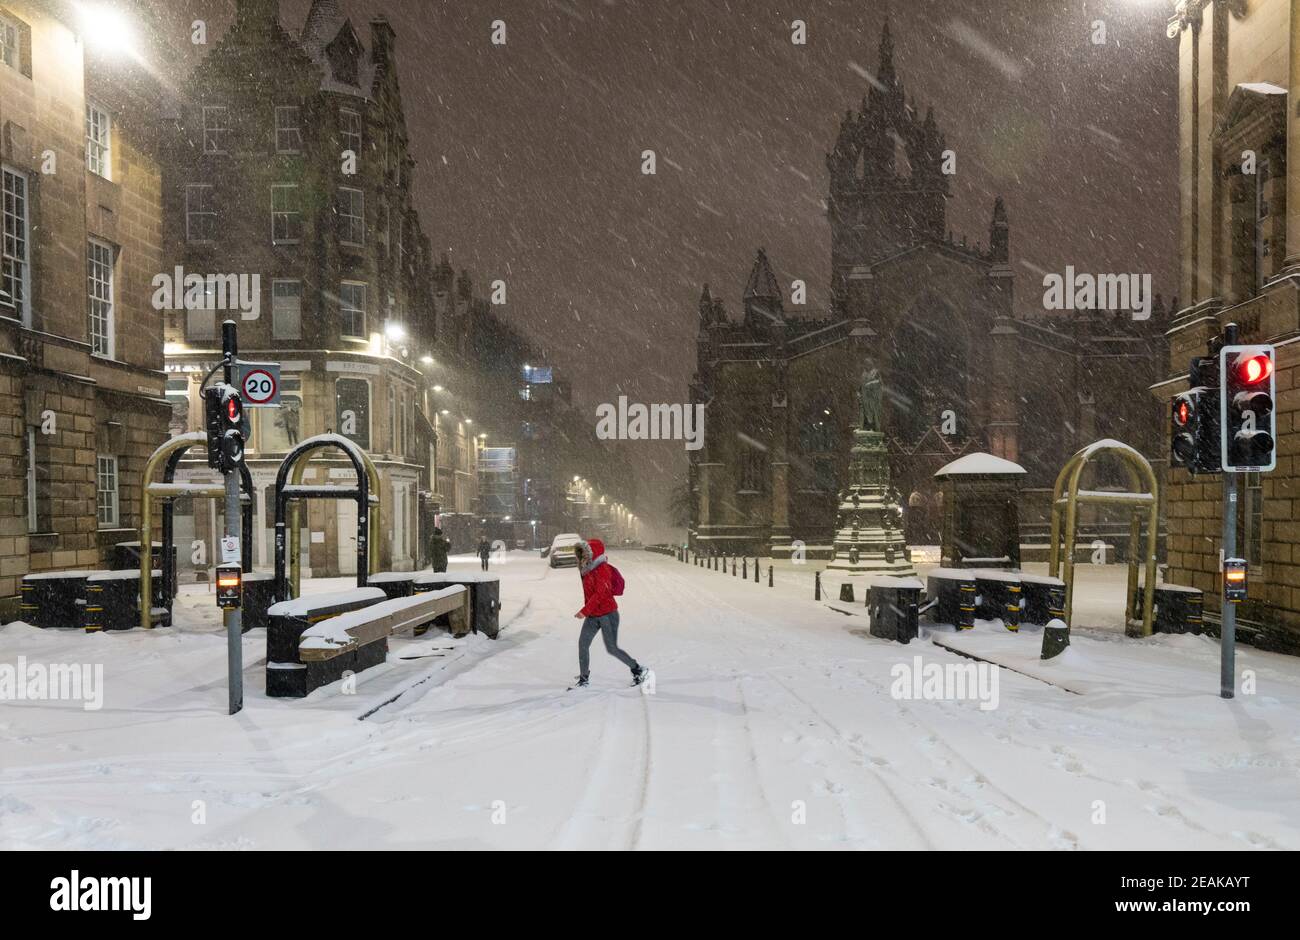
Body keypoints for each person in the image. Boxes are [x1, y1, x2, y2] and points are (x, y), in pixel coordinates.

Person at [571, 537, 647, 689]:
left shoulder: (603, 570)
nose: (583, 556)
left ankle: (637, 669)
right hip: (593, 616)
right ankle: (584, 679)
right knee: (583, 644)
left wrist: (584, 611)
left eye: (586, 553)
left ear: (593, 553)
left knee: (612, 648)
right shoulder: (586, 570)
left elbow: (600, 594)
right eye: (581, 554)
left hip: (608, 615)